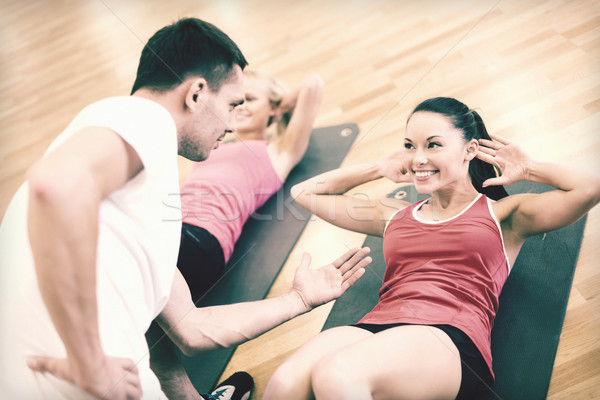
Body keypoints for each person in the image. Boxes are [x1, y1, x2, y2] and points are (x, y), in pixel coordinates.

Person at [0, 17, 372, 400]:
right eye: (231, 105)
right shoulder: (142, 120)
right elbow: (53, 186)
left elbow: (193, 329)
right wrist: (88, 358)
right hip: (79, 377)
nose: (231, 123)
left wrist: (299, 299)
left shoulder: (131, 194)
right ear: (195, 94)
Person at [263, 97, 600, 400]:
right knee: (284, 385)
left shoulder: (504, 216)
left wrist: (529, 169)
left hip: (448, 337)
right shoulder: (392, 215)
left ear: (469, 150)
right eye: (410, 146)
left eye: (433, 145)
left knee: (337, 377)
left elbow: (590, 188)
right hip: (374, 327)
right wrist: (378, 168)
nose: (418, 158)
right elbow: (305, 193)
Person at [177, 68, 324, 299]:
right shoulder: (211, 146)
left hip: (201, 240)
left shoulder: (278, 152)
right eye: (236, 102)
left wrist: (275, 107)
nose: (242, 107)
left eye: (250, 100)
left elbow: (312, 84)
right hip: (170, 227)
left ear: (275, 108)